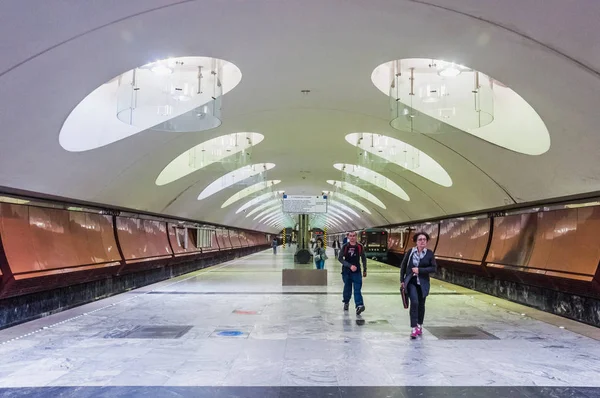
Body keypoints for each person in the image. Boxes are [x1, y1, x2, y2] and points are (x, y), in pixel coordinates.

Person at [400, 231, 437, 339]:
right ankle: (414, 327)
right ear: (416, 242)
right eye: (420, 239)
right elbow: (403, 266)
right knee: (414, 302)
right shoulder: (410, 252)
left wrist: (419, 270)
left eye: (424, 239)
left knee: (421, 304)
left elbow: (434, 268)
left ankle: (420, 325)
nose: (422, 241)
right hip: (411, 281)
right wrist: (402, 280)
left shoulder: (429, 253)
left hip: (423, 283)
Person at [338, 231, 367, 315]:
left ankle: (359, 305)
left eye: (354, 236)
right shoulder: (345, 247)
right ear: (348, 237)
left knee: (357, 289)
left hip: (357, 272)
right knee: (347, 288)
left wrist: (365, 269)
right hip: (346, 272)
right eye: (350, 236)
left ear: (356, 237)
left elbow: (363, 258)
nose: (352, 237)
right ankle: (346, 302)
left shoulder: (360, 247)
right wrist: (349, 266)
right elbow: (340, 258)